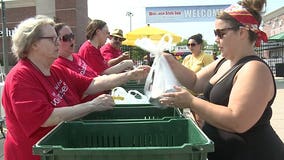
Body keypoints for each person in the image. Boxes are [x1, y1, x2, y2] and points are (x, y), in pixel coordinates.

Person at [2, 15, 150, 160]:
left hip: (60, 149)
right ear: (33, 43)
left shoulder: (54, 69)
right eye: (53, 39)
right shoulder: (20, 77)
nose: (58, 43)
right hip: (33, 155)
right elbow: (46, 118)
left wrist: (129, 75)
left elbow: (91, 83)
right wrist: (92, 105)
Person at [160, 0, 284, 160]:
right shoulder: (224, 62)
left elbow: (237, 121)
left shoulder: (255, 69)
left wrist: (191, 101)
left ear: (242, 32)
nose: (216, 39)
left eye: (221, 33)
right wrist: (169, 61)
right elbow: (196, 82)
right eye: (215, 34)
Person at [182, 33, 214, 127]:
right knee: (192, 121)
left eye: (193, 44)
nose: (190, 47)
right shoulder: (187, 58)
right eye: (188, 45)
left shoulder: (206, 57)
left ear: (200, 45)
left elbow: (213, 74)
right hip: (188, 94)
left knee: (200, 121)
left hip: (200, 95)